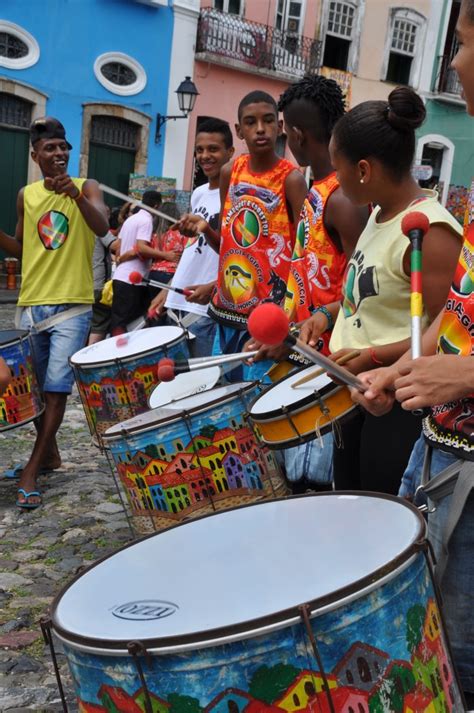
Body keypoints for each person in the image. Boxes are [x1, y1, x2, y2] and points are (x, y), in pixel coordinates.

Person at [351, 2, 474, 701]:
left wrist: (465, 372)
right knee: (417, 641)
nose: (452, 62)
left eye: (460, 42)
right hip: (436, 454)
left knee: (458, 662)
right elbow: (461, 313)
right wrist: (404, 367)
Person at [308, 87, 463, 496]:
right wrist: (326, 315)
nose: (336, 183)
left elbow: (444, 332)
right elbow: (363, 296)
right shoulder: (379, 215)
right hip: (360, 392)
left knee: (377, 519)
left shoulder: (432, 230)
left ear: (363, 169)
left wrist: (377, 359)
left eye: (338, 171)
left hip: (397, 406)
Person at [0, 116, 108, 508]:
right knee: (32, 391)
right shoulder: (26, 195)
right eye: (50, 148)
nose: (59, 153)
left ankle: (32, 469)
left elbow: (101, 226)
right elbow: (23, 249)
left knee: (56, 389)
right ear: (35, 155)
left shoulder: (87, 187)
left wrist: (76, 197)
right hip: (31, 304)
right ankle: (50, 454)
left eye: (63, 147)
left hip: (72, 306)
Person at [274, 74, 369, 492]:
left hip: (332, 369)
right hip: (304, 353)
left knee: (316, 488)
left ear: (296, 134)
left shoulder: (344, 199)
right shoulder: (316, 189)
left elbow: (360, 287)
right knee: (294, 483)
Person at [207, 90, 308, 381]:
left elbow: (304, 251)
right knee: (221, 396)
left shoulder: (291, 179)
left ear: (279, 126)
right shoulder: (229, 172)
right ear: (239, 130)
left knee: (256, 398)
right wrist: (212, 284)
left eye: (267, 121)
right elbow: (231, 239)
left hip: (269, 316)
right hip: (227, 309)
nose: (260, 129)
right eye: (250, 122)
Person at [151, 118, 235, 357]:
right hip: (178, 302)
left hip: (206, 309)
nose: (205, 156)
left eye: (213, 149)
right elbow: (193, 250)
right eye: (199, 150)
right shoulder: (198, 194)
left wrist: (214, 287)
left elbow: (237, 254)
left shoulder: (236, 194)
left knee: (203, 387)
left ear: (230, 152)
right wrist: (169, 288)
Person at [110, 190, 162, 335]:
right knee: (130, 324)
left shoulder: (131, 219)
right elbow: (140, 248)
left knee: (119, 321)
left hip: (121, 276)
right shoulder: (146, 221)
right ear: (157, 206)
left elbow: (117, 247)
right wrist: (166, 255)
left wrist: (120, 260)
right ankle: (118, 354)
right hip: (132, 279)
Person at [88, 206, 118, 345]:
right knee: (99, 324)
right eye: (106, 215)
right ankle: (89, 359)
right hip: (97, 285)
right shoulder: (98, 228)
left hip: (78, 285)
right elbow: (116, 246)